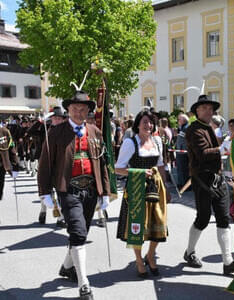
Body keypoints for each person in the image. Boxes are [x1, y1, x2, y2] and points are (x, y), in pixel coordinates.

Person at [38, 90, 110, 300]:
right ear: (68, 109)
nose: (79, 112)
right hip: (67, 190)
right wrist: (44, 192)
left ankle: (67, 267)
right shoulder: (56, 132)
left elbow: (102, 163)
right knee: (78, 234)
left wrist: (104, 191)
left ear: (88, 110)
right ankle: (84, 284)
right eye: (75, 108)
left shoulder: (95, 131)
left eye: (83, 109)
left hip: (90, 190)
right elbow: (44, 165)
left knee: (81, 234)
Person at [183, 94, 234, 275]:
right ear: (196, 111)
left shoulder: (208, 127)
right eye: (204, 108)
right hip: (202, 180)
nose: (208, 111)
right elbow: (203, 154)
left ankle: (228, 261)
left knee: (223, 218)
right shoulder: (193, 130)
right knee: (203, 219)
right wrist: (222, 148)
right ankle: (189, 252)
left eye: (210, 108)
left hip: (217, 179)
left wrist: (224, 147)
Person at [115, 110, 170, 278]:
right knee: (138, 226)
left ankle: (151, 255)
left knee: (159, 224)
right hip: (137, 187)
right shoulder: (130, 143)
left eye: (151, 122)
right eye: (145, 122)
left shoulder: (157, 141)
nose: (149, 125)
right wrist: (138, 171)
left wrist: (166, 187)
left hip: (156, 186)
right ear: (138, 124)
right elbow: (118, 169)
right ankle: (139, 260)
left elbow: (160, 165)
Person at [29, 106, 67, 227]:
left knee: (60, 191)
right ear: (52, 119)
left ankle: (61, 217)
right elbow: (30, 132)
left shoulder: (66, 131)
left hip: (60, 165)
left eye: (60, 118)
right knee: (45, 188)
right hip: (45, 163)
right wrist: (40, 121)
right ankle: (43, 210)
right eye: (55, 118)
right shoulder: (44, 128)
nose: (57, 120)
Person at [176, 113, 190, 189]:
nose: (178, 121)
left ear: (183, 120)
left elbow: (182, 139)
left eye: (179, 119)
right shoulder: (182, 127)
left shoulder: (186, 127)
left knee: (183, 169)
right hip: (181, 151)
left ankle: (184, 185)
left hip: (183, 152)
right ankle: (182, 183)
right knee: (181, 168)